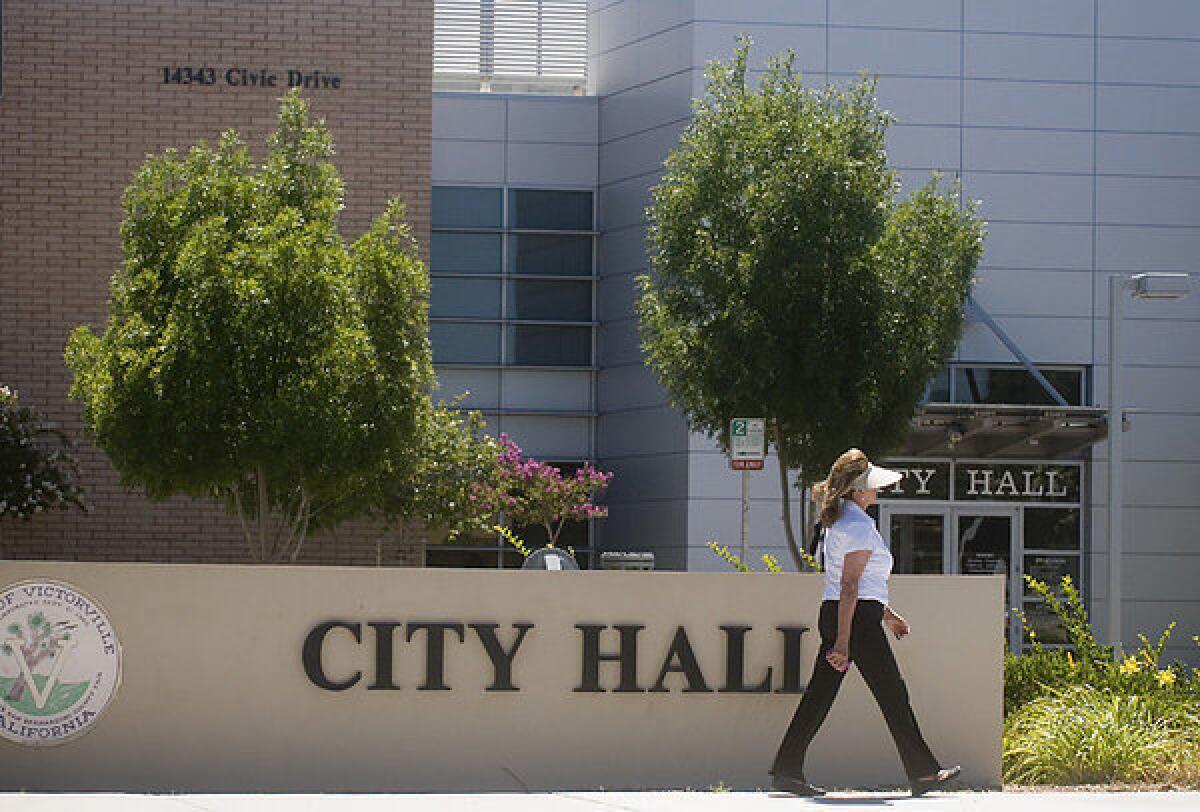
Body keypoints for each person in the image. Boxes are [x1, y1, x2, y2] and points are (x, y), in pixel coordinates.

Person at [768, 448, 960, 797]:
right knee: (891, 692)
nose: (877, 491)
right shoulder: (857, 524)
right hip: (853, 621)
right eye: (872, 486)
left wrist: (887, 614)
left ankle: (787, 770)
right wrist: (843, 641)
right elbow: (850, 584)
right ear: (857, 490)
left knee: (822, 696)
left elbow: (858, 583)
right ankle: (923, 773)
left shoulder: (840, 519)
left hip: (853, 616)